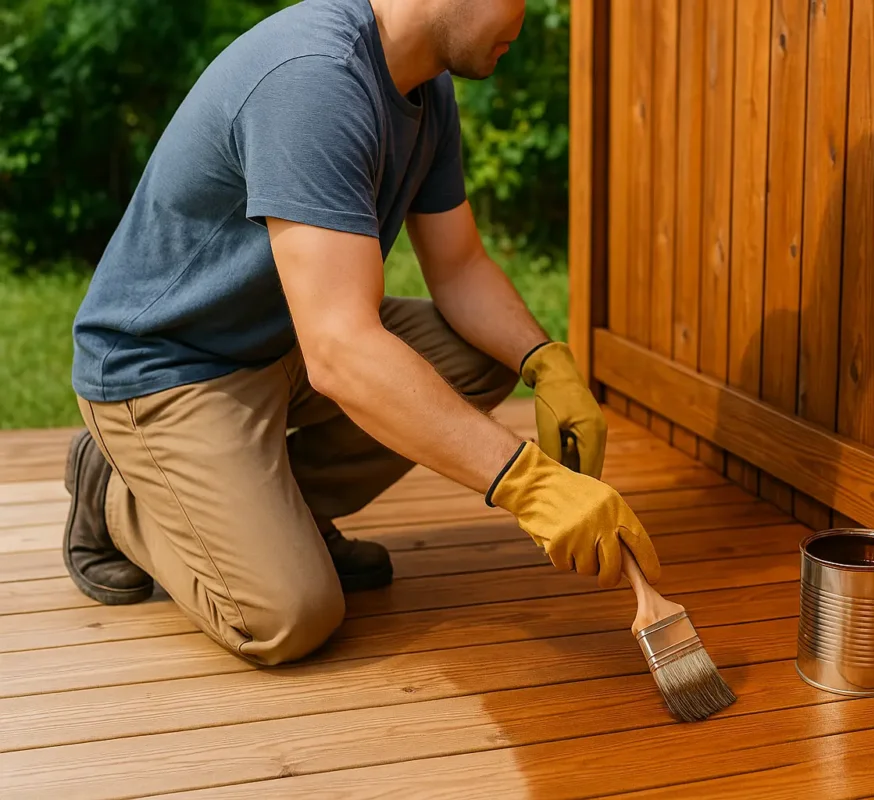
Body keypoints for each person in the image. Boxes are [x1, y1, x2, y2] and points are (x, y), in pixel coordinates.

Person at [64, 0, 662, 666]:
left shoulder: (424, 85)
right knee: (290, 615)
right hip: (168, 368)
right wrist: (531, 486)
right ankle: (119, 494)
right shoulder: (315, 80)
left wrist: (548, 362)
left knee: (487, 355)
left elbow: (460, 267)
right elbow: (342, 352)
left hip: (279, 341)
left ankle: (277, 514)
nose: (527, 20)